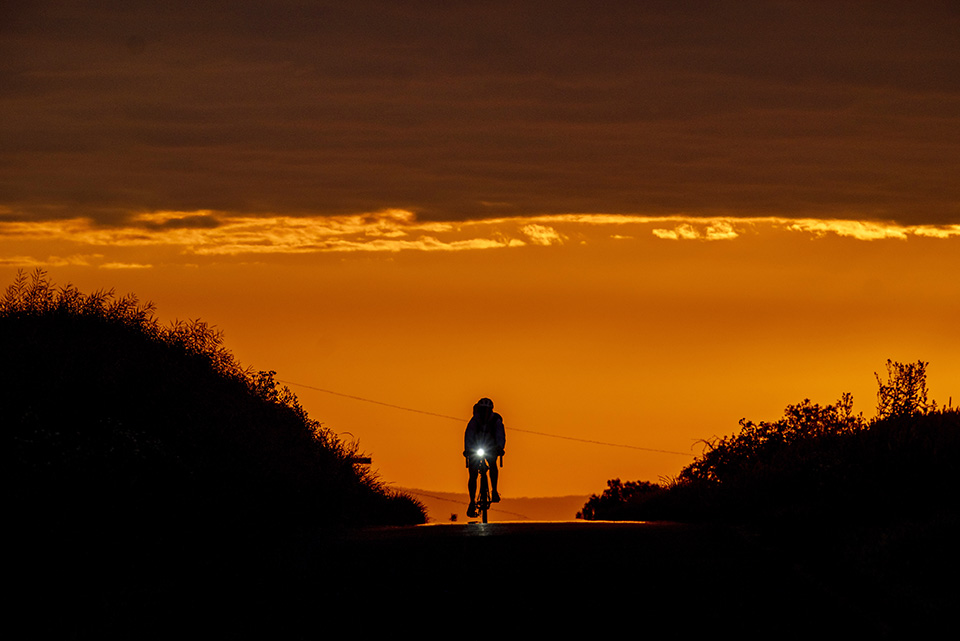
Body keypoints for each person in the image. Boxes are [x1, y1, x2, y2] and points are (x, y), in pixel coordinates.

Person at [463, 397, 506, 518]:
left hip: (491, 447)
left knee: (493, 465)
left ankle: (494, 491)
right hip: (475, 448)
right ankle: (472, 501)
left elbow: (500, 435)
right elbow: (469, 435)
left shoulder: (496, 421)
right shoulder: (474, 421)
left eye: (486, 410)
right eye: (482, 410)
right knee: (472, 474)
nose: (484, 412)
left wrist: (500, 447)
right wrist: (467, 450)